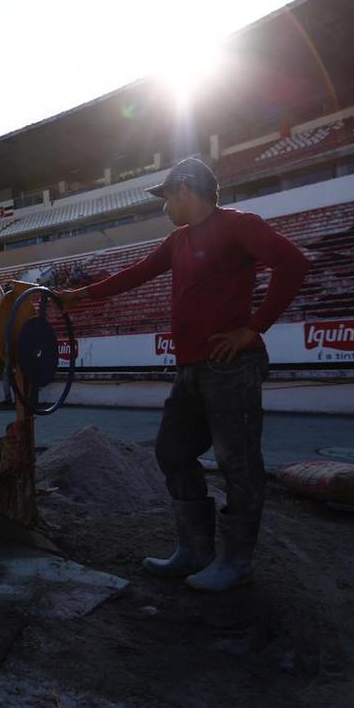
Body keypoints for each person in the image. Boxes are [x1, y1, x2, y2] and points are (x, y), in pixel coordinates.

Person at [56, 158, 311, 592]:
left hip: (230, 367)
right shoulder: (178, 241)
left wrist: (253, 328)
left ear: (186, 191)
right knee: (172, 452)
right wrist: (81, 296)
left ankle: (235, 562)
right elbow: (135, 274)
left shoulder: (239, 225)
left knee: (238, 463)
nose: (164, 208)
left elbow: (294, 264)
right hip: (191, 368)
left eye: (166, 198)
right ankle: (195, 550)